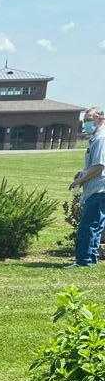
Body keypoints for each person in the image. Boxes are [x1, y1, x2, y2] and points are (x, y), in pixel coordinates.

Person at [70, 108, 105, 267]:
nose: (86, 124)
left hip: (98, 190)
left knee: (88, 225)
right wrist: (83, 173)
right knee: (95, 225)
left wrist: (80, 180)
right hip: (97, 189)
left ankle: (84, 261)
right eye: (84, 120)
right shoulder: (96, 139)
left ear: (98, 118)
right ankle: (90, 258)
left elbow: (98, 166)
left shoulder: (100, 139)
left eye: (88, 119)